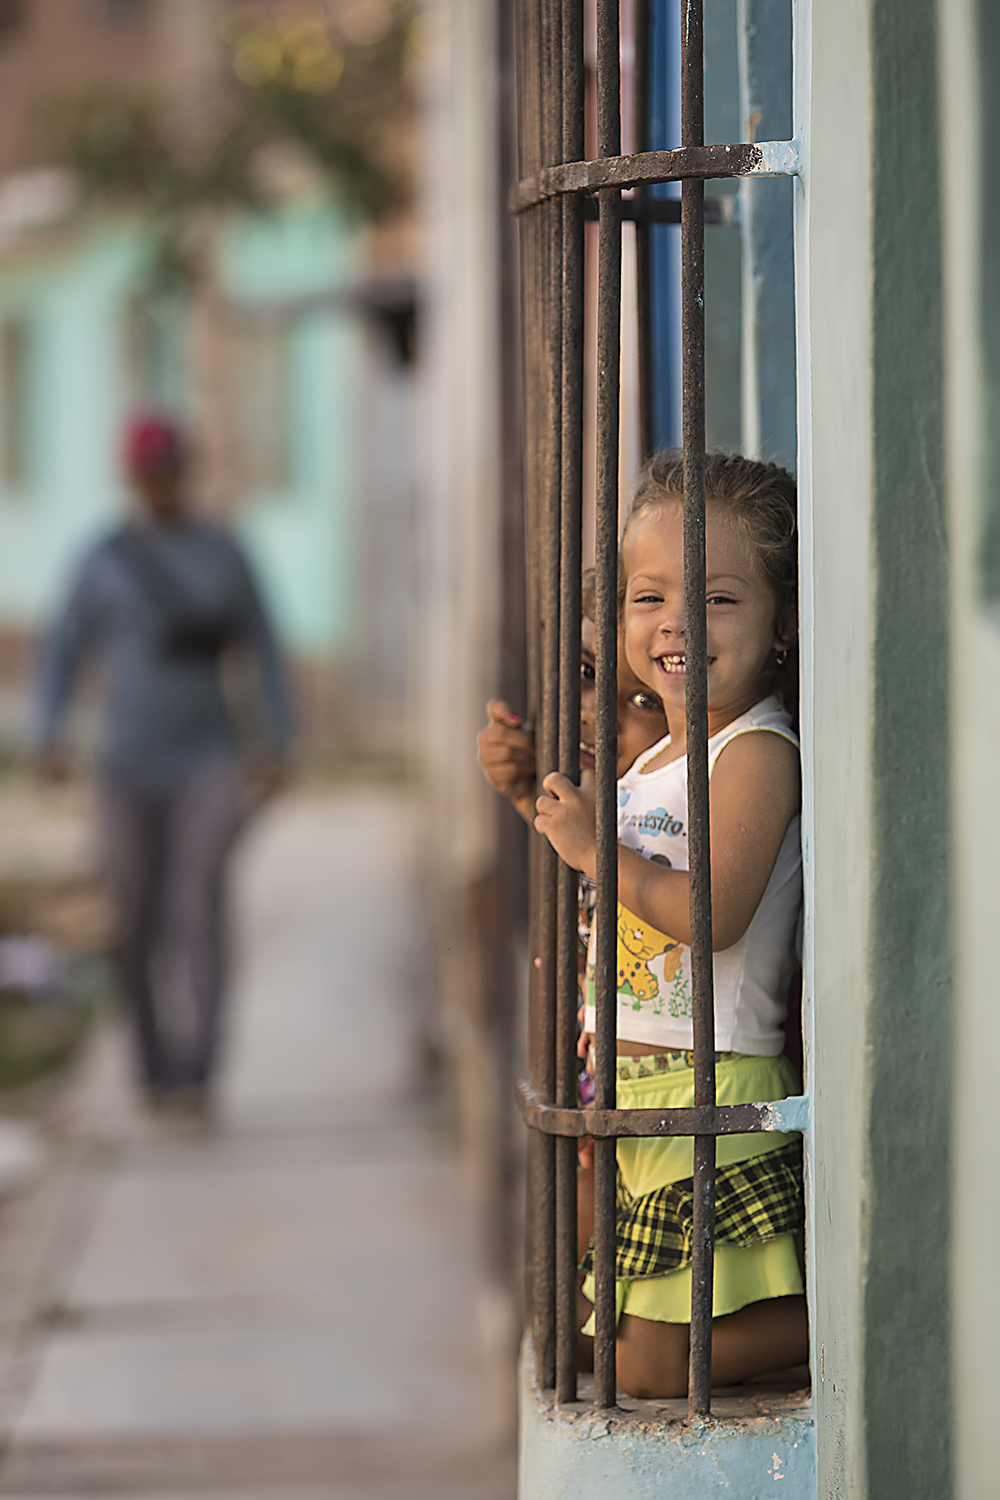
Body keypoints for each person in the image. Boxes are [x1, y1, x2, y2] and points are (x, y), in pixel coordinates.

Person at [534, 451, 806, 1399]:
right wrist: (527, 788)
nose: (678, 622)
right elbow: (601, 870)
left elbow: (716, 914)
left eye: (720, 598)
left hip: (716, 1089)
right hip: (637, 1087)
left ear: (785, 623)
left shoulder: (755, 752)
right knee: (587, 1336)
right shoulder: (654, 761)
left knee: (646, 1364)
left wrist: (593, 851)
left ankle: (866, 1313)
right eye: (649, 597)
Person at [34, 412, 293, 1110]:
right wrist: (49, 731)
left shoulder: (223, 554)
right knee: (136, 919)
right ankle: (153, 1069)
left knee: (199, 910)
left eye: (169, 474)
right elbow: (62, 648)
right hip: (123, 769)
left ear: (186, 472)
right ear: (133, 480)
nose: (159, 488)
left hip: (206, 762)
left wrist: (277, 742)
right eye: (148, 477)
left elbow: (263, 646)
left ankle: (199, 1073)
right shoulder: (102, 560)